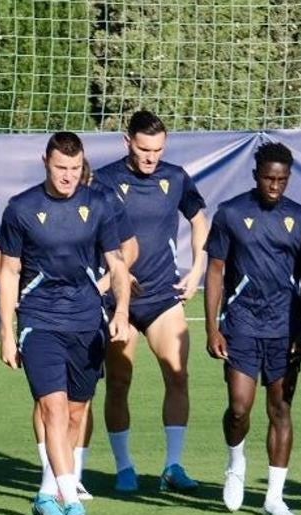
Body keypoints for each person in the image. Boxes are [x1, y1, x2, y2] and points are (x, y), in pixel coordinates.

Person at [0, 132, 132, 515]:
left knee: (76, 413)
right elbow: (8, 273)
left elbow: (117, 261)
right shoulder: (21, 208)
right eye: (61, 168)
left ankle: (46, 493)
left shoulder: (100, 203)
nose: (68, 176)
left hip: (88, 321)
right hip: (40, 321)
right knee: (52, 408)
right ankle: (71, 501)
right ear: (45, 162)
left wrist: (121, 309)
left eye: (75, 169)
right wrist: (7, 331)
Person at [93, 110, 209, 493]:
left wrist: (196, 271)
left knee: (178, 376)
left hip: (162, 297)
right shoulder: (105, 181)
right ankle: (124, 465)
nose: (150, 157)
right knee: (119, 383)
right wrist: (114, 279)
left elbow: (199, 219)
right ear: (127, 142)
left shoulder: (175, 178)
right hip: (118, 301)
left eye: (157, 150)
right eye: (144, 149)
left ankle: (173, 465)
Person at [205, 142, 301, 515]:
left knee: (281, 409)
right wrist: (212, 328)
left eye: (282, 180)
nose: (275, 186)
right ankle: (235, 464)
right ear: (256, 175)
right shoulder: (231, 214)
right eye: (269, 178)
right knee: (240, 408)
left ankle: (274, 496)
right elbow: (216, 271)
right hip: (241, 324)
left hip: (284, 328)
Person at [27, 157, 138, 503]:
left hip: (90, 312)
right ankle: (53, 477)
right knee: (48, 401)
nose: (73, 183)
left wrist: (106, 286)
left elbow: (128, 250)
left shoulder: (102, 206)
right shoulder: (36, 208)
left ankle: (72, 473)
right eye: (65, 173)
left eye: (79, 177)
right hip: (48, 315)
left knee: (80, 402)